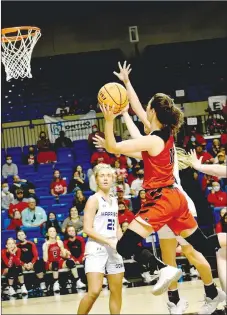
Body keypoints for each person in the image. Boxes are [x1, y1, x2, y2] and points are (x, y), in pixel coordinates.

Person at [97, 61, 226, 299]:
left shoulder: (154, 139)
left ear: (153, 112)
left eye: (148, 107)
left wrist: (108, 119)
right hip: (176, 199)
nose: (144, 109)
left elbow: (116, 146)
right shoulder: (164, 134)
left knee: (125, 245)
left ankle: (162, 270)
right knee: (205, 245)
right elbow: (136, 110)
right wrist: (126, 85)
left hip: (162, 200)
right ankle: (179, 282)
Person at [77, 164, 124, 315]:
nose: (105, 178)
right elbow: (87, 229)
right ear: (96, 180)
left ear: (113, 179)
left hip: (114, 248)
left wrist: (122, 243)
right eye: (102, 175)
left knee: (116, 291)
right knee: (94, 291)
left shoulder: (114, 200)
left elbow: (117, 227)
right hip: (97, 247)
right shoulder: (93, 199)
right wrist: (108, 241)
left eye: (108, 176)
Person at [43, 226, 80, 294]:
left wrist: (65, 252)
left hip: (60, 261)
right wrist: (46, 247)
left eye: (54, 231)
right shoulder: (45, 244)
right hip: (50, 263)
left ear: (56, 233)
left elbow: (64, 255)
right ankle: (56, 283)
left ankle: (78, 281)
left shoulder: (59, 242)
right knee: (55, 264)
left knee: (70, 262)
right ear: (47, 234)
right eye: (50, 231)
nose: (52, 233)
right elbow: (45, 259)